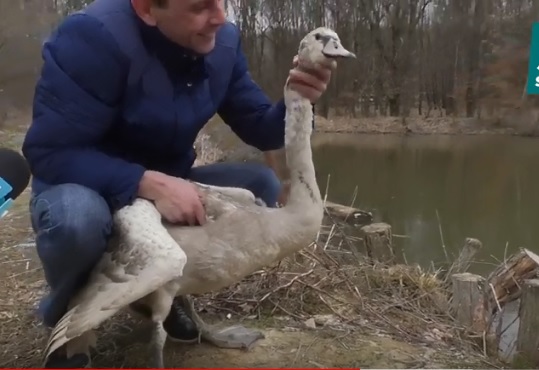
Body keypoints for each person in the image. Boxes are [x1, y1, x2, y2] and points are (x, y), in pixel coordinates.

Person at [22, 0, 334, 367]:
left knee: (259, 185)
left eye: (222, 2)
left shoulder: (223, 42)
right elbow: (49, 151)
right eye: (200, 6)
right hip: (85, 183)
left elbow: (260, 126)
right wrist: (143, 181)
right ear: (147, 9)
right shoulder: (93, 38)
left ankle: (163, 297)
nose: (219, 17)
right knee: (77, 221)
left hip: (168, 186)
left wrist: (297, 98)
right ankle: (70, 321)